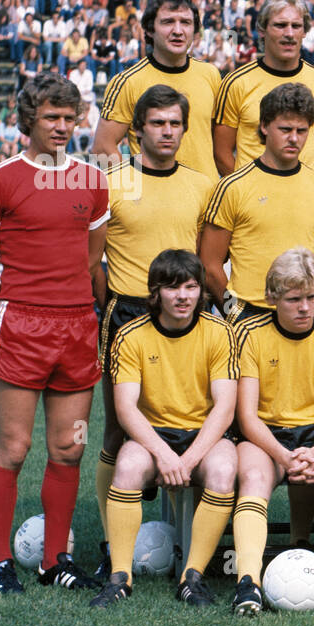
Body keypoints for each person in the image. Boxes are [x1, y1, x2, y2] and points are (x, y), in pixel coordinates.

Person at [0, 75, 108, 595]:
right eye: (51, 117)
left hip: (77, 325)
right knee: (14, 448)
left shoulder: (93, 180)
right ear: (29, 120)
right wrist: (12, 307)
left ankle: (55, 561)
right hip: (23, 323)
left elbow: (93, 261)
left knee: (69, 449)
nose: (62, 127)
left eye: (69, 118)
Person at [93, 85, 217, 573]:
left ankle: (197, 545)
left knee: (194, 420)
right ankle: (111, 545)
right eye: (157, 123)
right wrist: (112, 307)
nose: (167, 132)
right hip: (127, 315)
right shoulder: (110, 180)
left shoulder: (203, 184)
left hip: (191, 315)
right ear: (137, 130)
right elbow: (92, 261)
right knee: (114, 429)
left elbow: (211, 255)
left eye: (175, 124)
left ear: (185, 129)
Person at [94, 249, 238, 609]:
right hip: (151, 434)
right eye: (172, 288)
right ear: (155, 293)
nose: (183, 296)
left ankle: (193, 577)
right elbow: (126, 408)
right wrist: (163, 454)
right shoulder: (129, 335)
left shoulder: (220, 332)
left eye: (191, 286)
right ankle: (120, 577)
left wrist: (187, 460)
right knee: (126, 467)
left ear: (201, 290)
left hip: (203, 435)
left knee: (223, 470)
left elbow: (225, 407)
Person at [232, 248, 314, 614]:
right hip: (266, 437)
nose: (305, 307)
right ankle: (248, 582)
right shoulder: (248, 334)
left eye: (312, 297)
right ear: (271, 298)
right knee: (255, 475)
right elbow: (247, 416)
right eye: (294, 299)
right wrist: (284, 456)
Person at [200, 83, 314, 323]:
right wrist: (234, 313)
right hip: (252, 315)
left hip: (306, 317)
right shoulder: (233, 186)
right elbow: (210, 265)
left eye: (302, 131)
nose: (293, 138)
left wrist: (312, 301)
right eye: (285, 129)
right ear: (264, 126)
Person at [92, 0, 223, 178]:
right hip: (152, 205)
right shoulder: (128, 81)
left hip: (207, 202)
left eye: (185, 22)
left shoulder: (211, 74)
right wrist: (134, 191)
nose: (178, 31)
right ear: (150, 30)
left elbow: (217, 143)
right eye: (168, 22)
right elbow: (102, 148)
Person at [213, 0, 314, 174]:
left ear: (304, 31)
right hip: (253, 200)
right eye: (280, 25)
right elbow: (221, 153)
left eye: (296, 26)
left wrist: (311, 185)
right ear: (262, 30)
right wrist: (247, 191)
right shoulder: (236, 82)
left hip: (306, 200)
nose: (289, 33)